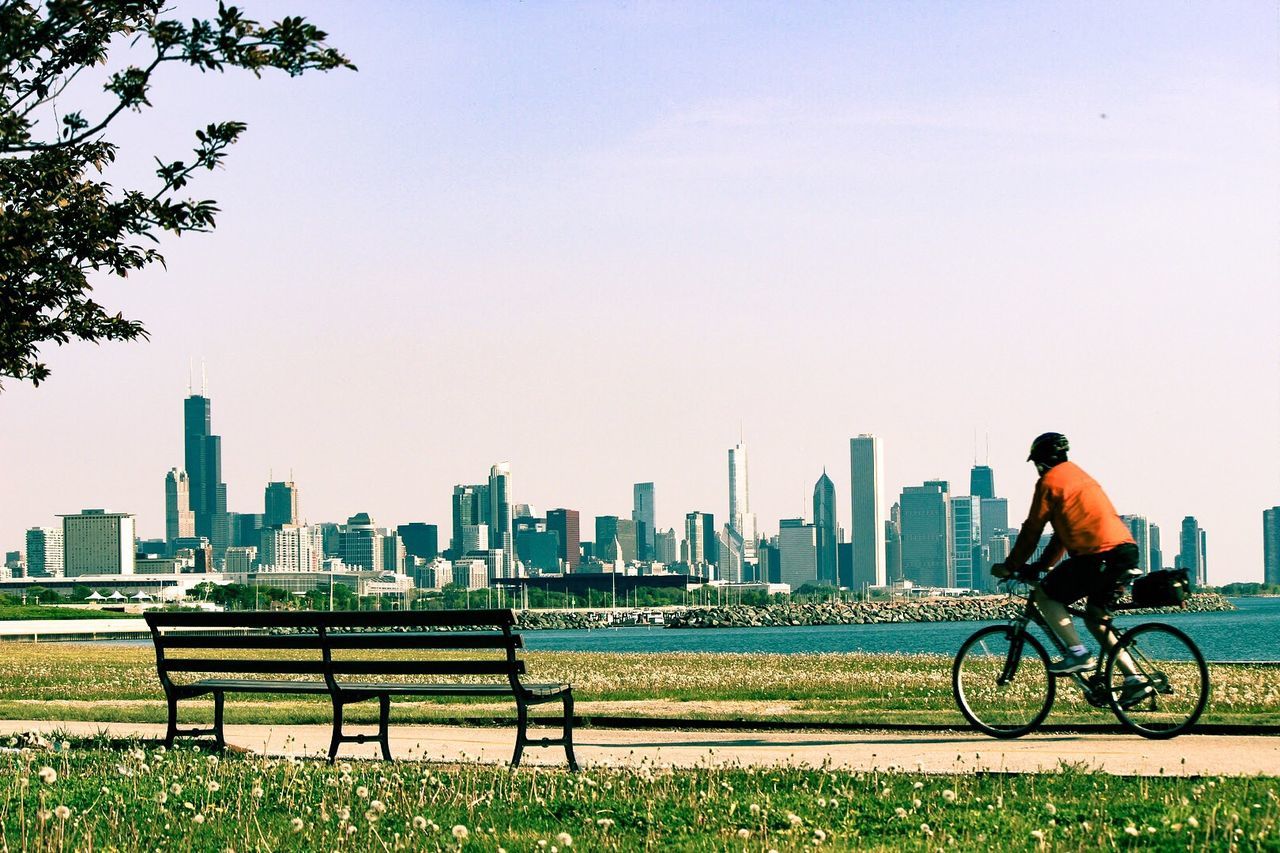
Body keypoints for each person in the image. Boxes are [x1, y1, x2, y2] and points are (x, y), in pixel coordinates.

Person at [994, 432, 1151, 705]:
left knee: (1045, 596)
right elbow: (1060, 538)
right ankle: (1134, 680)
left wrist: (1011, 566)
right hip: (1123, 552)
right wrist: (1042, 566)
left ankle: (1078, 653)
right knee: (1095, 618)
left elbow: (1033, 529)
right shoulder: (1082, 478)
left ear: (1041, 462)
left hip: (1098, 555)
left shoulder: (1049, 483)